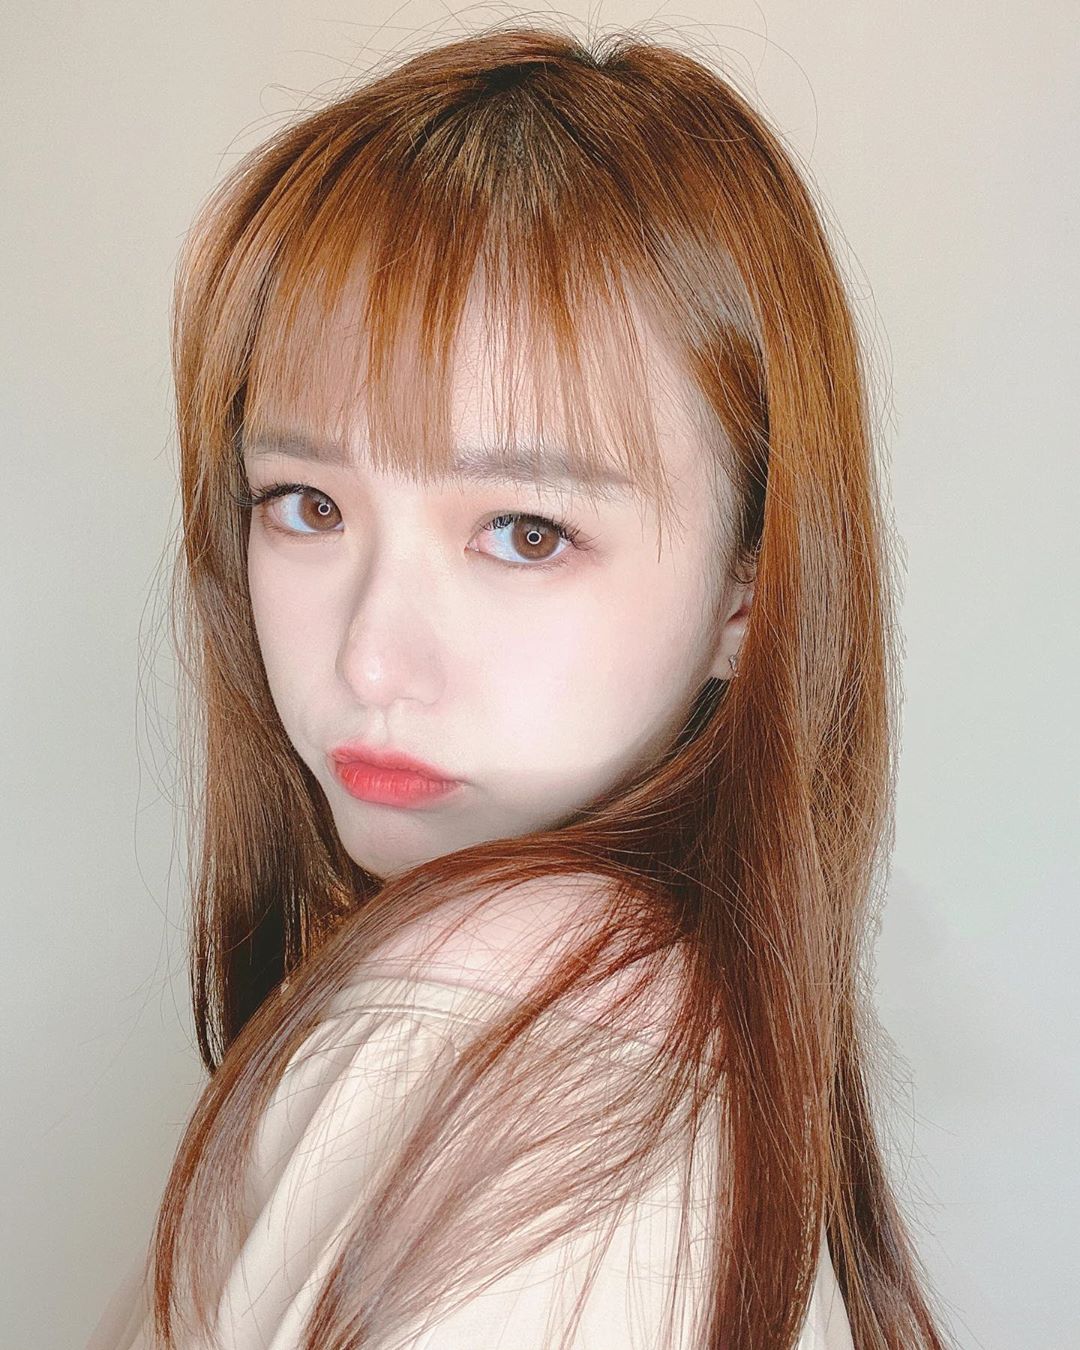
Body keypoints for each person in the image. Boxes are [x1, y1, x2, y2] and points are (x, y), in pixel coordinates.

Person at [86, 22, 955, 1350]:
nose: (369, 659)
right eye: (306, 503)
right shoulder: (667, 1022)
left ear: (746, 591)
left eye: (525, 531)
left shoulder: (505, 1022)